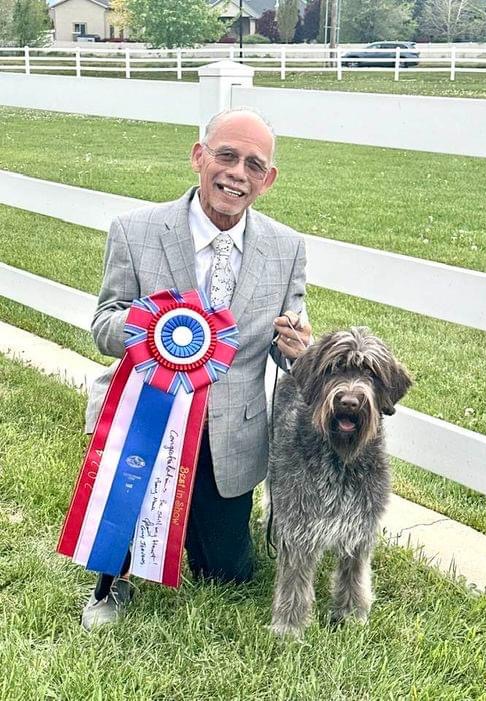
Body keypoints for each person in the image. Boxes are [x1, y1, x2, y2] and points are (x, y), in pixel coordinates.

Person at [81, 107, 312, 630]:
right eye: (226, 156)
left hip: (231, 437)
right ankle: (112, 579)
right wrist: (153, 328)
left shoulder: (287, 248)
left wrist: (298, 348)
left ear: (268, 180)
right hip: (145, 425)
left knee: (228, 575)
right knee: (122, 524)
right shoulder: (135, 230)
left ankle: (190, 525)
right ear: (198, 157)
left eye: (254, 165)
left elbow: (285, 347)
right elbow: (103, 324)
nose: (237, 174)